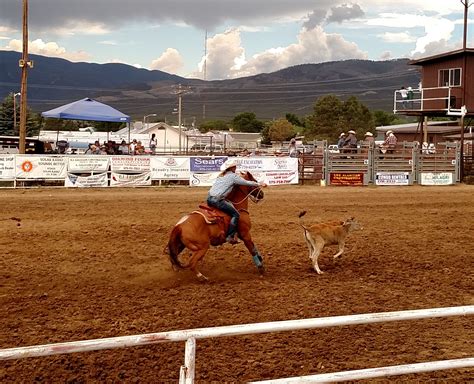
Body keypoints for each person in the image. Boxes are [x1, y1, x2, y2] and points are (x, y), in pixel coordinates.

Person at [207, 159, 267, 244]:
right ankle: (230, 236)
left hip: (209, 199)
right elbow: (246, 182)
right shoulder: (233, 177)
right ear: (232, 168)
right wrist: (259, 184)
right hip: (218, 200)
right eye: (234, 166)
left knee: (228, 207)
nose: (235, 167)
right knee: (235, 214)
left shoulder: (221, 176)